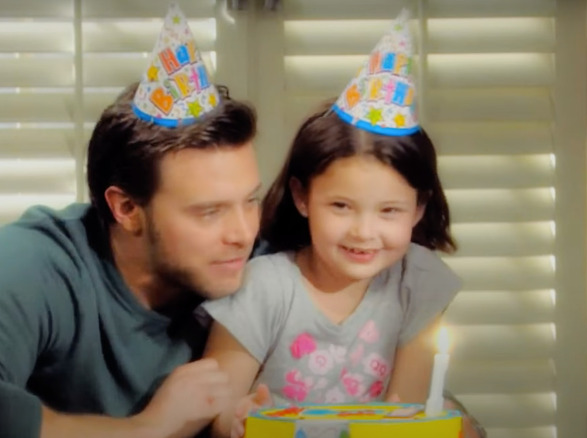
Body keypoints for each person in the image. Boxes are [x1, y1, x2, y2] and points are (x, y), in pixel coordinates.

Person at [0, 5, 262, 438]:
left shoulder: (267, 265)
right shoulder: (32, 261)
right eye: (209, 212)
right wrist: (147, 429)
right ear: (127, 209)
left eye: (250, 201)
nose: (243, 234)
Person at [201, 10, 482, 438]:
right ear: (301, 197)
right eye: (341, 206)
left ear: (419, 208)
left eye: (389, 211)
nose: (363, 232)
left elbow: (404, 410)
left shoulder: (418, 280)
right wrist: (234, 420)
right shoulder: (262, 287)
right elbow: (215, 412)